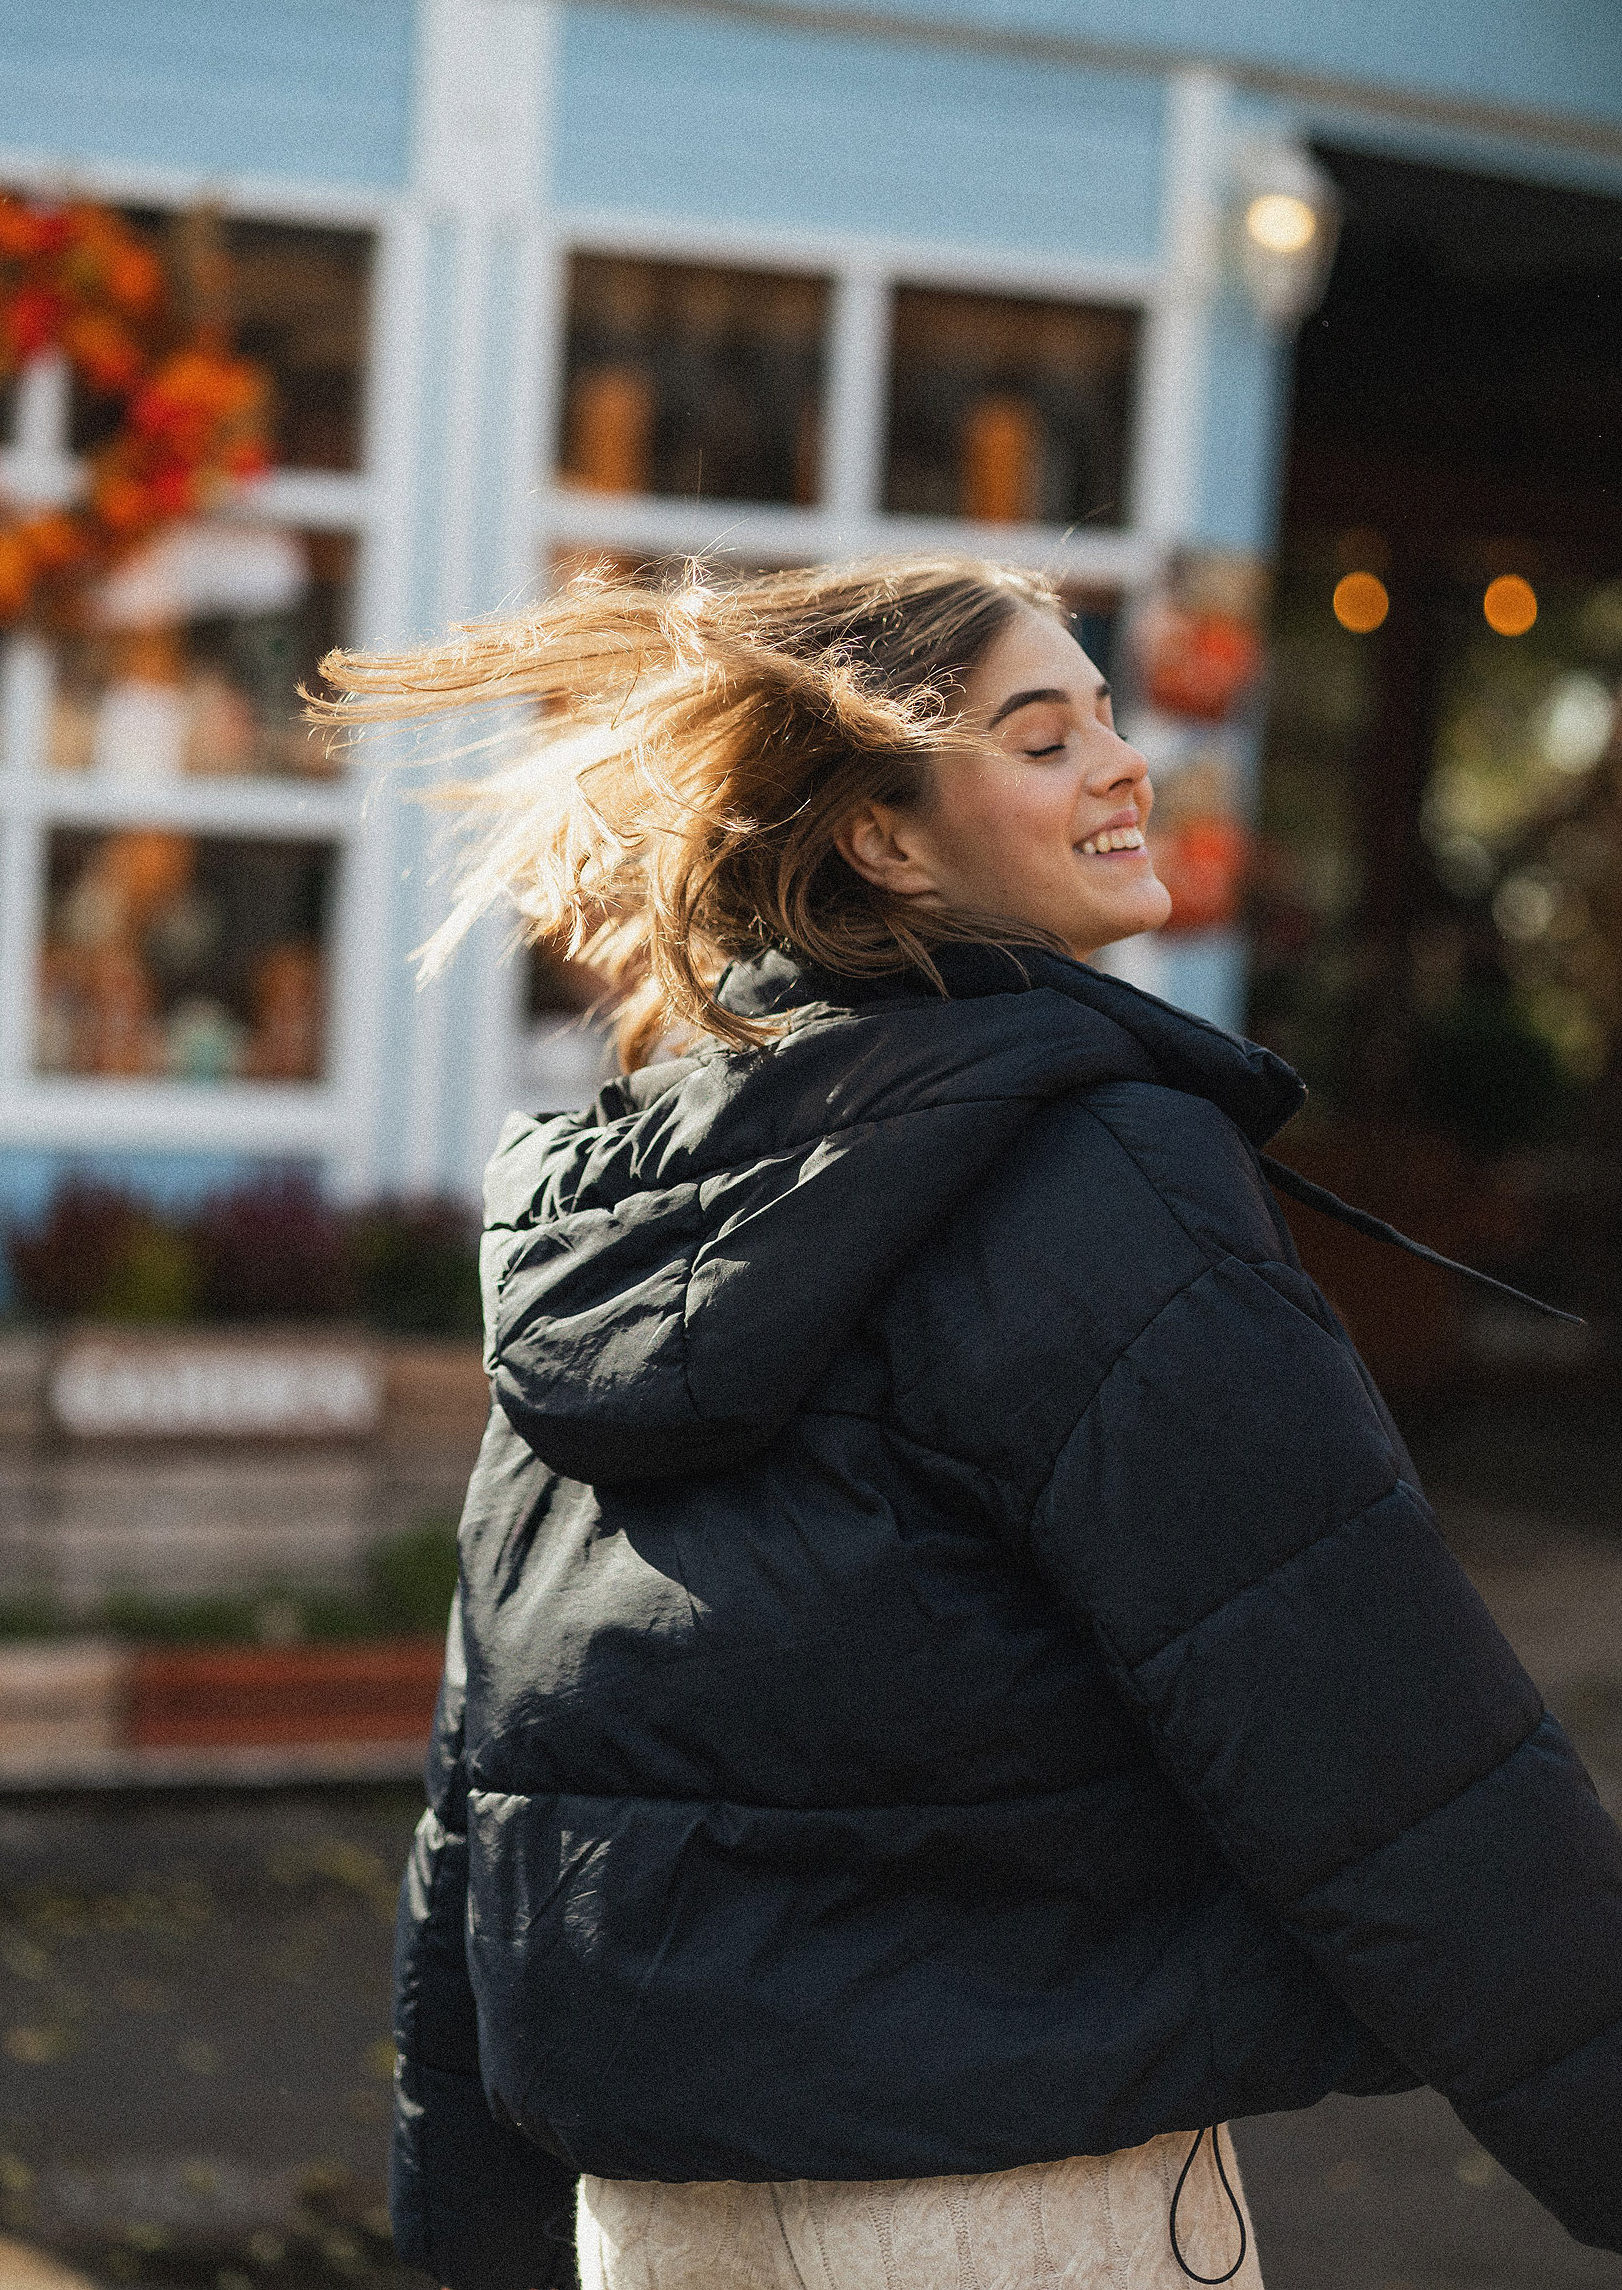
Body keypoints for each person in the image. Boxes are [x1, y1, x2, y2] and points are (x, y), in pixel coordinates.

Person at [323, 559, 1622, 2290]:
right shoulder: (1095, 1178)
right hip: (1005, 2201)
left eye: (1107, 714)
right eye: (1041, 734)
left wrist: (467, 2230)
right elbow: (1381, 1735)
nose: (1124, 762)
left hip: (656, 2221)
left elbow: (492, 1772)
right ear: (887, 838)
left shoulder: (628, 1212)